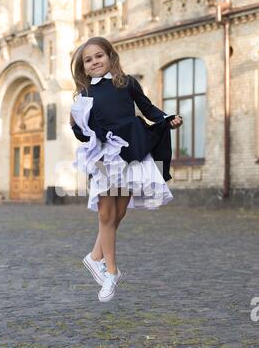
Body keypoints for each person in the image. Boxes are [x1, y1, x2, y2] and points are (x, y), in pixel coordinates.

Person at [69, 36, 183, 303]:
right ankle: (110, 272)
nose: (95, 61)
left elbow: (148, 108)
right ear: (83, 68)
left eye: (99, 56)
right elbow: (82, 134)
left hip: (131, 151)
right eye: (88, 60)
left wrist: (167, 118)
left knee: (119, 212)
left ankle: (94, 256)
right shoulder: (84, 96)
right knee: (107, 213)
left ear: (110, 57)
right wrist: (74, 122)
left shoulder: (127, 82)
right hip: (105, 156)